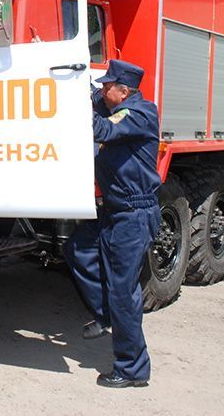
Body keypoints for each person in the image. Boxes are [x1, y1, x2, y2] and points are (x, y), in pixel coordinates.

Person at [64, 59, 161, 388]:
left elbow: (102, 130)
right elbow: (99, 104)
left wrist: (74, 101)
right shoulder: (120, 106)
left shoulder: (139, 113)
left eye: (108, 87)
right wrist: (84, 90)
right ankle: (107, 315)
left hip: (134, 215)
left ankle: (132, 369)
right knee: (78, 249)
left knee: (123, 292)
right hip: (114, 211)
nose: (103, 91)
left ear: (124, 91)